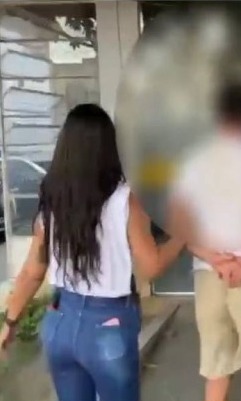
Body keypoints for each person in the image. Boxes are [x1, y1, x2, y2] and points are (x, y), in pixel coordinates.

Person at [0, 104, 185, 401]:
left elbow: (32, 272)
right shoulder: (125, 200)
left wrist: (10, 323)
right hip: (108, 324)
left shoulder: (54, 200)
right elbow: (151, 267)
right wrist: (181, 237)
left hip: (59, 322)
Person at [169, 81, 241, 401]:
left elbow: (180, 226)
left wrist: (215, 259)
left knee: (217, 370)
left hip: (208, 276)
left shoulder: (193, 162)